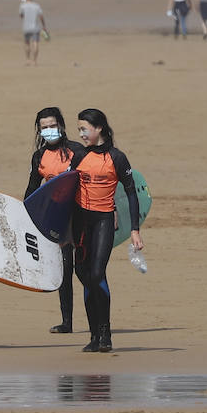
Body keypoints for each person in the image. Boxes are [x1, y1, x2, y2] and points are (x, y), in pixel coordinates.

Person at [69, 108, 143, 353]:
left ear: (99, 128)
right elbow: (65, 191)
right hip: (81, 222)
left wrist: (134, 229)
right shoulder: (78, 156)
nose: (80, 134)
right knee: (85, 276)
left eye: (84, 129)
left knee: (97, 273)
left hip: (102, 221)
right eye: (79, 129)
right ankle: (93, 335)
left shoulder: (116, 157)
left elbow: (132, 192)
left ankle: (105, 332)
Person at [24, 107, 85, 334]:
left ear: (61, 125)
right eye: (44, 127)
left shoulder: (77, 151)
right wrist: (26, 216)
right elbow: (32, 189)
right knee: (65, 270)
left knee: (85, 270)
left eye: (52, 125)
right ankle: (67, 322)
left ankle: (98, 319)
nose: (49, 130)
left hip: (81, 214)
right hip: (57, 218)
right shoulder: (39, 157)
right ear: (39, 131)